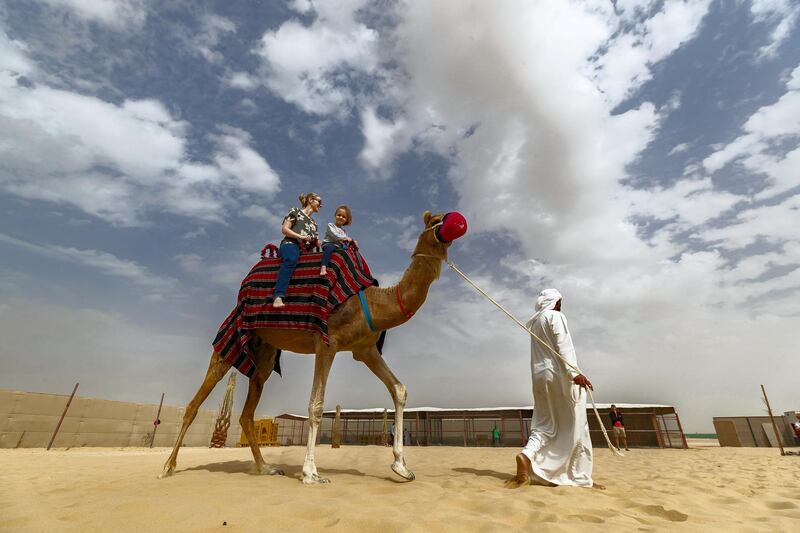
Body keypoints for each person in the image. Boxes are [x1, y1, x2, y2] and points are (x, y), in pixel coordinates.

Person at [513, 288, 595, 488]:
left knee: (544, 424)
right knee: (575, 422)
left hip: (540, 377)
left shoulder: (536, 324)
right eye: (560, 301)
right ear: (555, 302)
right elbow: (563, 344)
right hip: (559, 375)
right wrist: (574, 373)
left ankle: (526, 456)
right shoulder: (554, 316)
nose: (561, 305)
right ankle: (577, 476)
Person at [273, 192, 321, 308]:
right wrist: (300, 237)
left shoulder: (314, 223)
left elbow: (315, 242)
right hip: (290, 244)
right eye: (319, 201)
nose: (321, 205)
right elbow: (285, 229)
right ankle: (278, 296)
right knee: (291, 259)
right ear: (311, 200)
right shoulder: (295, 212)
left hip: (305, 250)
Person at [320, 204, 355, 276]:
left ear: (346, 220)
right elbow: (334, 236)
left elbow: (344, 242)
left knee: (349, 251)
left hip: (338, 246)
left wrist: (351, 242)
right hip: (328, 243)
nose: (341, 217)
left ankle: (348, 270)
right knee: (329, 248)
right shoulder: (330, 225)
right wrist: (344, 238)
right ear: (335, 215)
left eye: (344, 217)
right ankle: (323, 267)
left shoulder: (344, 231)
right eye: (339, 215)